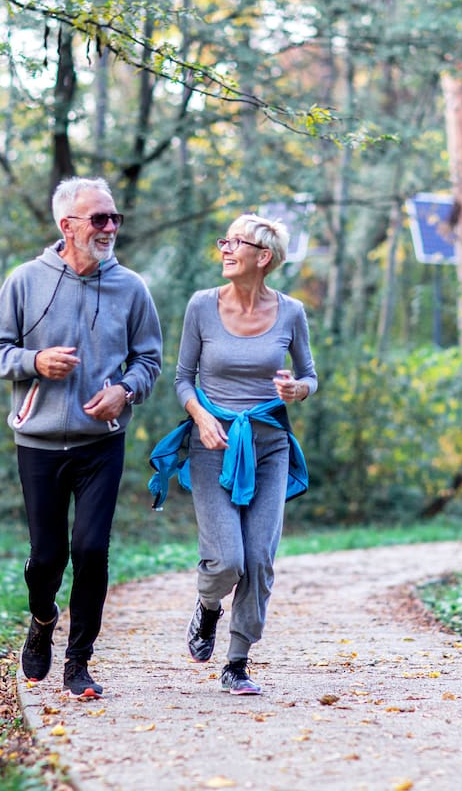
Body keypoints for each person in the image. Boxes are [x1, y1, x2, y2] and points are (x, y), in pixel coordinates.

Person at [0, 176, 162, 699]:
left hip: (100, 441)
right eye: (99, 218)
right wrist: (34, 361)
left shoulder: (131, 288)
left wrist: (125, 390)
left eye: (114, 218)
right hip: (38, 442)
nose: (110, 227)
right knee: (47, 558)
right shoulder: (25, 281)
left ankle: (78, 662)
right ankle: (42, 619)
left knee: (92, 549)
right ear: (67, 225)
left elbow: (149, 360)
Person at [159, 213, 317, 695]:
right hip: (213, 446)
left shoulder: (291, 312)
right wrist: (201, 417)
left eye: (236, 243)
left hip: (269, 448)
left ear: (263, 257)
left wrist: (297, 390)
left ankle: (237, 661)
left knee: (259, 558)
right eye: (224, 241)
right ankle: (208, 608)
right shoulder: (201, 306)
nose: (225, 249)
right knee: (228, 560)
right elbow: (182, 379)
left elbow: (309, 376)